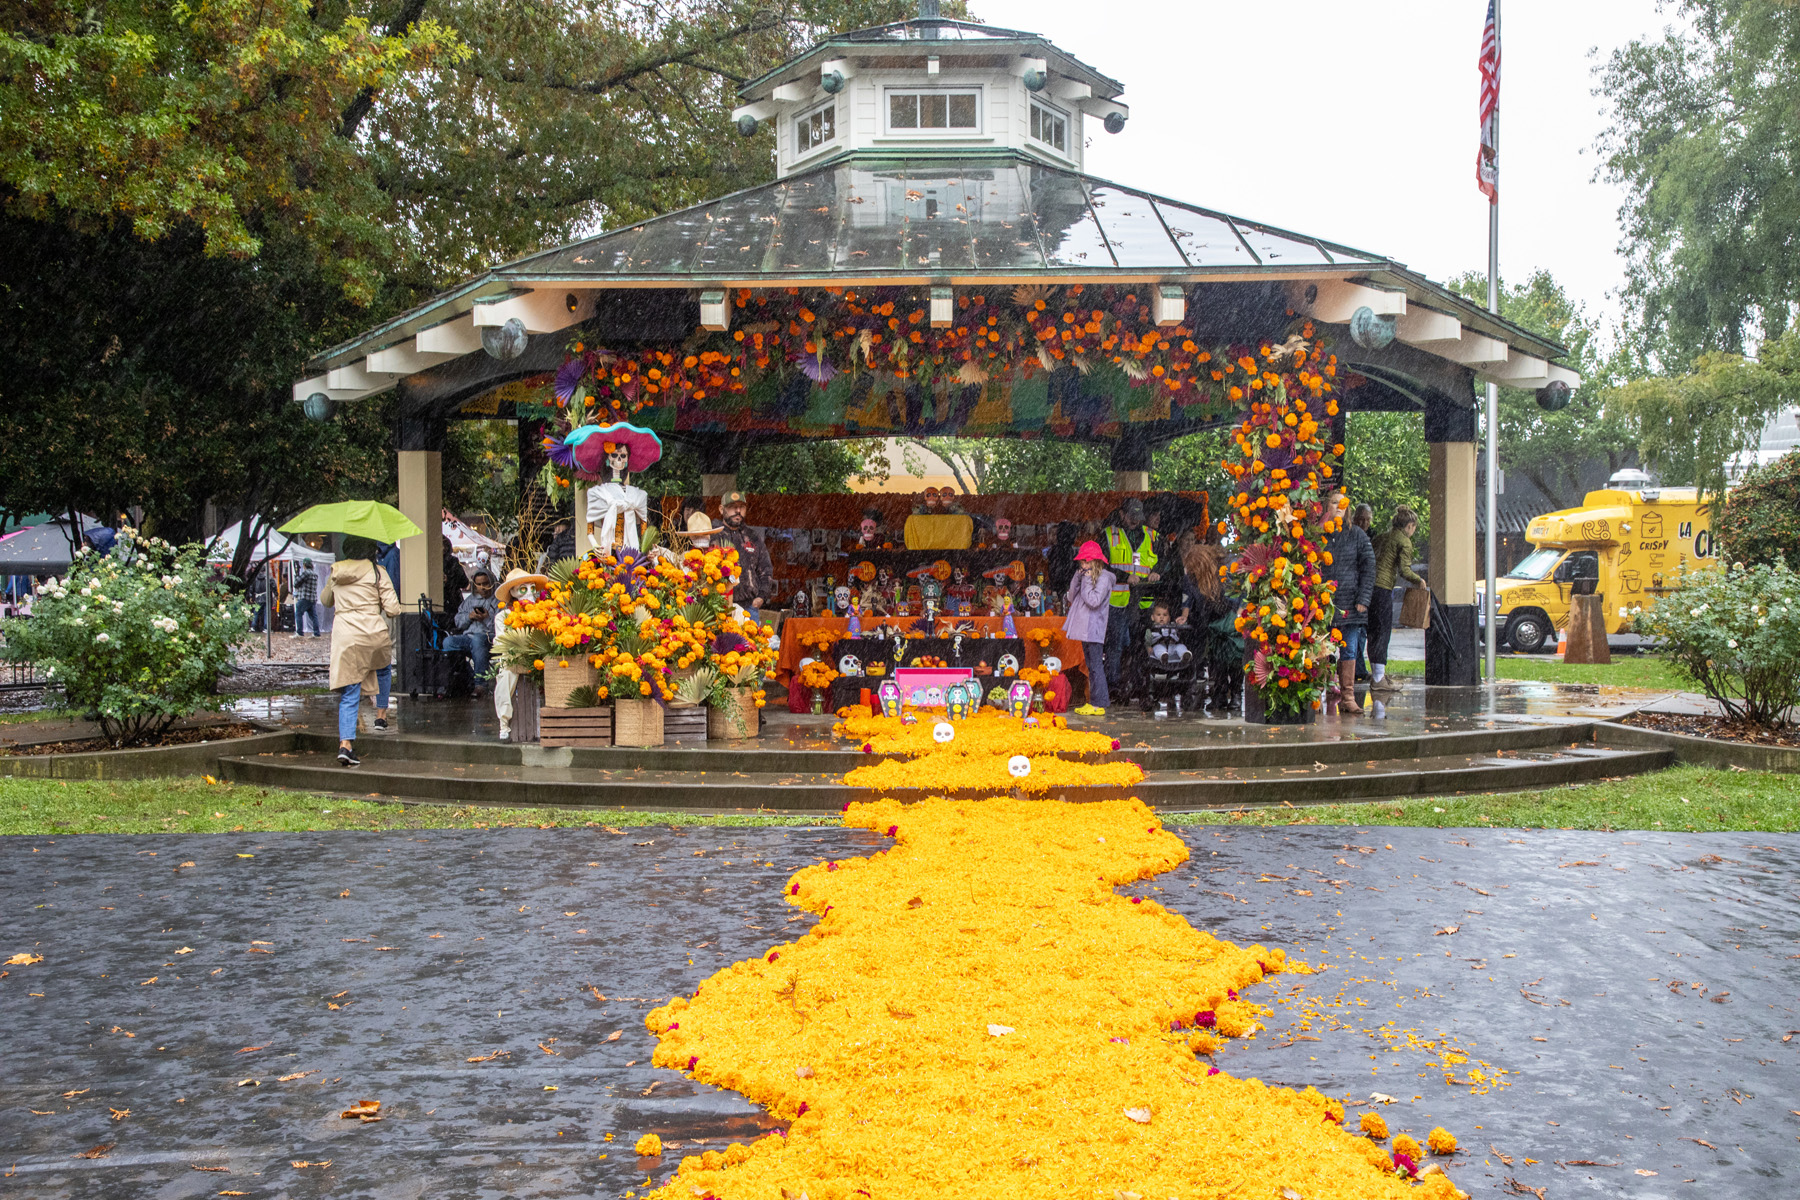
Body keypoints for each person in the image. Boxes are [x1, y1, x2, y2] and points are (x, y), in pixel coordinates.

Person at [322, 536, 400, 766]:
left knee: (350, 689)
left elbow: (326, 601)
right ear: (371, 552)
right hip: (373, 632)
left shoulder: (337, 571)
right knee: (383, 666)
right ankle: (381, 715)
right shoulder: (378, 572)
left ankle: (345, 745)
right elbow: (393, 609)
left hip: (345, 635)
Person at [1322, 490, 1375, 715]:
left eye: (1342, 504)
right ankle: (1320, 694)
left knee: (1350, 649)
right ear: (1327, 507)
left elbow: (1369, 568)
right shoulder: (1319, 535)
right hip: (1322, 605)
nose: (1339, 507)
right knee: (1321, 649)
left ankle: (1348, 697)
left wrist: (1363, 599)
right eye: (1334, 503)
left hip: (1351, 605)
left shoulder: (1357, 535)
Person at [1102, 499, 1160, 700]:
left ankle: (1139, 685)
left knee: (1139, 645)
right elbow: (1102, 566)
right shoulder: (1110, 535)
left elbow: (1164, 561)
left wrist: (1157, 572)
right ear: (1122, 514)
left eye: (1138, 517)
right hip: (1117, 600)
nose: (1135, 521)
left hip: (1143, 601)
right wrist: (1124, 576)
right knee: (1116, 645)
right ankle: (1114, 686)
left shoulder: (1152, 536)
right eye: (1131, 516)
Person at [1368, 507, 1426, 693]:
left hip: (1369, 588)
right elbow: (1404, 570)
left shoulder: (1382, 538)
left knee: (1373, 631)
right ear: (1409, 526)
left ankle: (1377, 674)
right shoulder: (1404, 541)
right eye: (1414, 527)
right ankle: (1379, 678)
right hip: (1383, 588)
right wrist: (1419, 580)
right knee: (1383, 631)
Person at [492, 568, 547, 742]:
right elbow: (501, 642)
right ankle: (504, 724)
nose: (529, 592)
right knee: (505, 675)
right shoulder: (504, 616)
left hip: (541, 656)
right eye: (523, 589)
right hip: (514, 657)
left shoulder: (544, 610)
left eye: (532, 588)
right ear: (514, 592)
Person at [1063, 540, 1115, 715]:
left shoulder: (1104, 578)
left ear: (1096, 561)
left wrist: (1085, 580)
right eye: (1082, 562)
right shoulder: (1085, 576)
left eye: (1087, 561)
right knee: (1091, 666)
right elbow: (1071, 597)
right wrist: (1078, 577)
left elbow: (1093, 601)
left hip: (1093, 628)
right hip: (1084, 629)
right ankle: (1094, 701)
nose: (1084, 565)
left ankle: (1099, 703)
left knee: (1096, 666)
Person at [715, 492, 775, 612]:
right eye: (732, 506)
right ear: (721, 509)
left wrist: (761, 597)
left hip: (749, 607)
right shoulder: (714, 536)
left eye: (741, 507)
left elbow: (766, 569)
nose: (738, 511)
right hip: (718, 606)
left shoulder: (753, 537)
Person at [442, 568, 497, 694]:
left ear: (491, 583)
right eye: (479, 584)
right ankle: (466, 676)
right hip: (469, 637)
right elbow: (458, 622)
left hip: (489, 637)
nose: (482, 588)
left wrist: (487, 618)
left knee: (478, 640)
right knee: (448, 642)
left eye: (485, 584)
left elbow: (501, 624)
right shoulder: (469, 601)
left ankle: (480, 684)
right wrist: (469, 617)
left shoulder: (499, 600)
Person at [1350, 504, 1375, 681]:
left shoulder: (1372, 537)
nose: (1364, 523)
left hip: (1364, 592)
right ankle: (1357, 669)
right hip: (1352, 590)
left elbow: (1369, 568)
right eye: (1361, 519)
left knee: (1361, 632)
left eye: (1367, 519)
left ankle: (1358, 668)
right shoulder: (1351, 535)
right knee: (1355, 633)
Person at [293, 560, 322, 637]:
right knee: (314, 617)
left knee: (298, 613)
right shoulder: (315, 574)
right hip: (312, 598)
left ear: (305, 565)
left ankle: (299, 632)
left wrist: (297, 576)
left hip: (305, 597)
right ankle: (316, 633)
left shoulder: (305, 573)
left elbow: (296, 583)